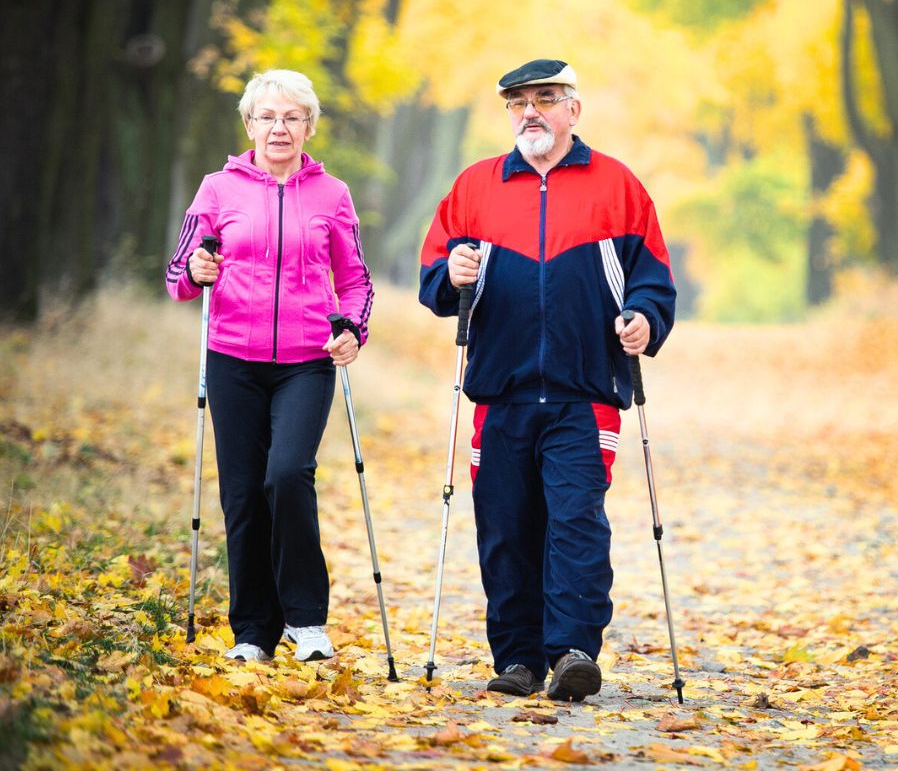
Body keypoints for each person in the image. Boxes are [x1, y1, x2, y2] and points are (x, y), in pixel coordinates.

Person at [418, 59, 676, 702]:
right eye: (517, 103)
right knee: (505, 527)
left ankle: (572, 652)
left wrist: (644, 319)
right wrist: (452, 273)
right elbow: (434, 276)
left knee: (575, 521)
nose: (530, 112)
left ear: (573, 110)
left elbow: (654, 278)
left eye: (545, 98)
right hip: (499, 392)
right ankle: (518, 659)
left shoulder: (617, 186)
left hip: (584, 391)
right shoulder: (475, 187)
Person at [165, 69, 373, 664]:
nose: (279, 128)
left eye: (292, 118)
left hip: (307, 361)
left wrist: (352, 330)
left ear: (309, 126)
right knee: (242, 495)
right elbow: (180, 277)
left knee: (286, 475)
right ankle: (253, 630)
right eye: (267, 117)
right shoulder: (216, 189)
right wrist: (195, 275)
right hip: (232, 357)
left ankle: (305, 620)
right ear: (249, 124)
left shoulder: (332, 194)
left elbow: (355, 279)